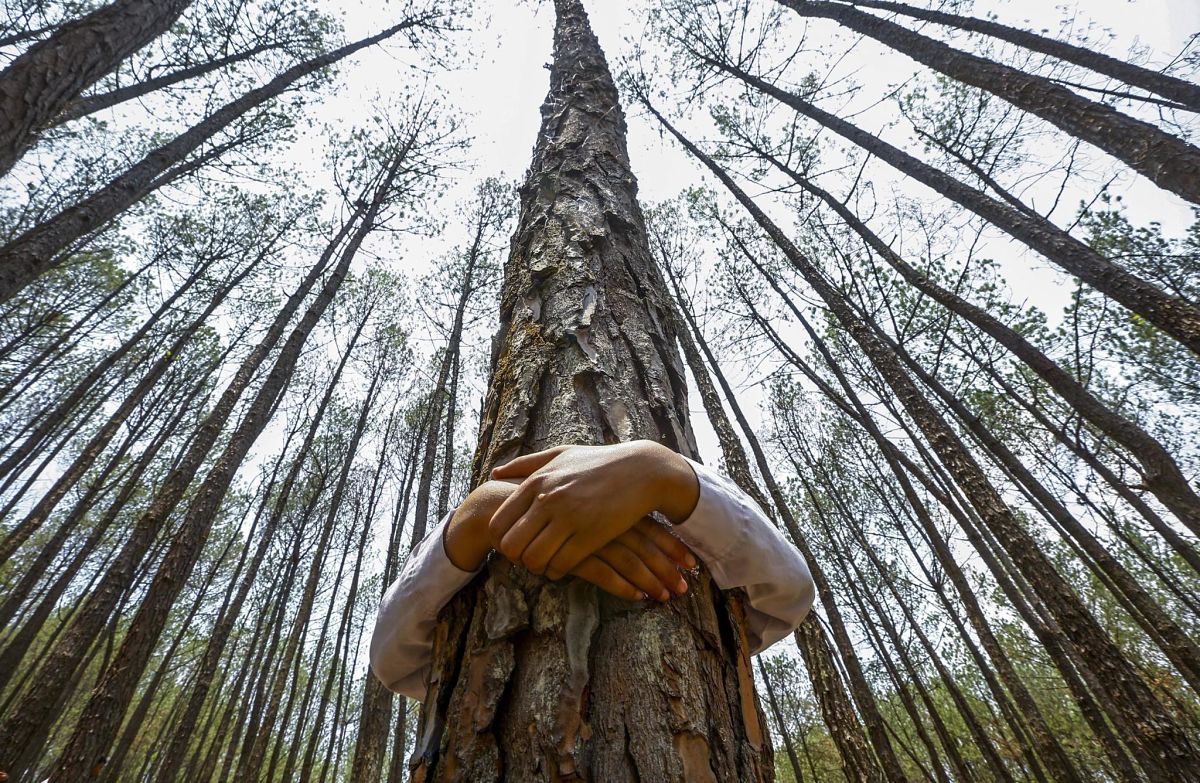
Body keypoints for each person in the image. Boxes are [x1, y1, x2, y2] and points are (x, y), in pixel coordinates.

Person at [370, 440, 815, 699]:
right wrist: (474, 519)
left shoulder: (696, 489)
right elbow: (393, 661)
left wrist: (663, 471)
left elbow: (787, 592)